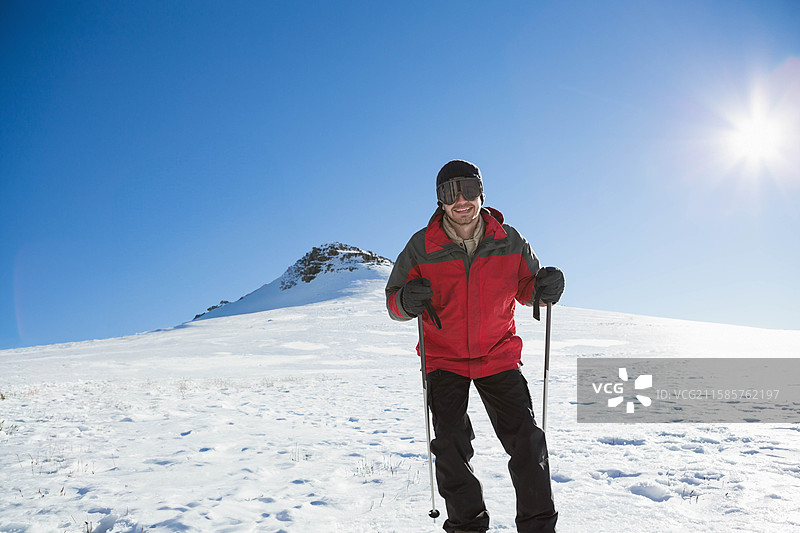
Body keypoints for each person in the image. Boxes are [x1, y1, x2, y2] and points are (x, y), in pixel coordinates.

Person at [385, 160, 565, 533]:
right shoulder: (421, 247)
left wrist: (544, 290)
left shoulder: (510, 240)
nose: (461, 200)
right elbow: (393, 303)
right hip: (444, 360)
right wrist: (406, 300)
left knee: (528, 444)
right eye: (450, 193)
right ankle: (468, 527)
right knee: (451, 448)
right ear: (440, 201)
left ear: (481, 191)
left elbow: (528, 289)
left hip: (497, 354)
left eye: (467, 188)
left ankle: (538, 528)